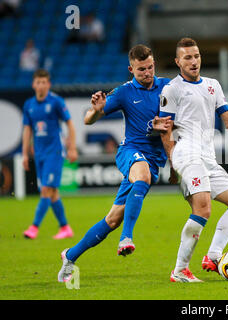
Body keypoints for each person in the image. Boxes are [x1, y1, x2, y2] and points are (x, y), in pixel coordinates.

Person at [57, 44, 173, 282]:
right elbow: (89, 119)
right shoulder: (123, 92)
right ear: (131, 69)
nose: (147, 72)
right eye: (141, 69)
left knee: (112, 219)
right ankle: (127, 238)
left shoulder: (167, 86)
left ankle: (70, 255)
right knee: (141, 176)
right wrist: (97, 110)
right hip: (130, 151)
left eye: (150, 67)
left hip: (153, 160)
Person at [159, 38, 228, 283]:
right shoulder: (172, 89)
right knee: (203, 208)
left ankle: (213, 255)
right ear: (178, 62)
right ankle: (179, 271)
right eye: (187, 57)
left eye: (196, 56)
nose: (194, 61)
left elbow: (227, 116)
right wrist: (173, 164)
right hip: (186, 154)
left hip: (208, 157)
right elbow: (165, 131)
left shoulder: (213, 85)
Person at [22, 69, 77, 240]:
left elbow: (70, 124)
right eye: (38, 82)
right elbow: (27, 129)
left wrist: (72, 148)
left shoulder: (56, 102)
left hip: (54, 152)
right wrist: (24, 154)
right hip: (39, 154)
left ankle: (34, 227)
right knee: (52, 193)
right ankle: (65, 227)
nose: (41, 85)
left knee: (46, 190)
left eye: (44, 82)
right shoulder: (29, 105)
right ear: (33, 84)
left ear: (48, 84)